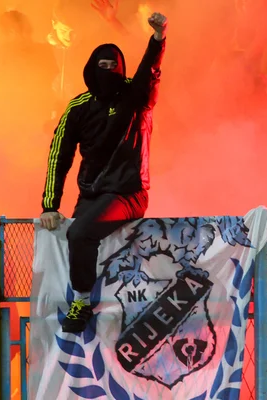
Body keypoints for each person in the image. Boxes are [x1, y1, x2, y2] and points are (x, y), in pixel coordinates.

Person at [39, 12, 167, 333]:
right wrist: (50, 205)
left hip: (129, 193)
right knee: (75, 235)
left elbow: (149, 73)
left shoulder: (135, 96)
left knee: (80, 233)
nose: (108, 72)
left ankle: (81, 302)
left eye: (114, 67)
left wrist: (158, 38)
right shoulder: (78, 107)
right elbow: (59, 154)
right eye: (103, 67)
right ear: (91, 70)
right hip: (91, 192)